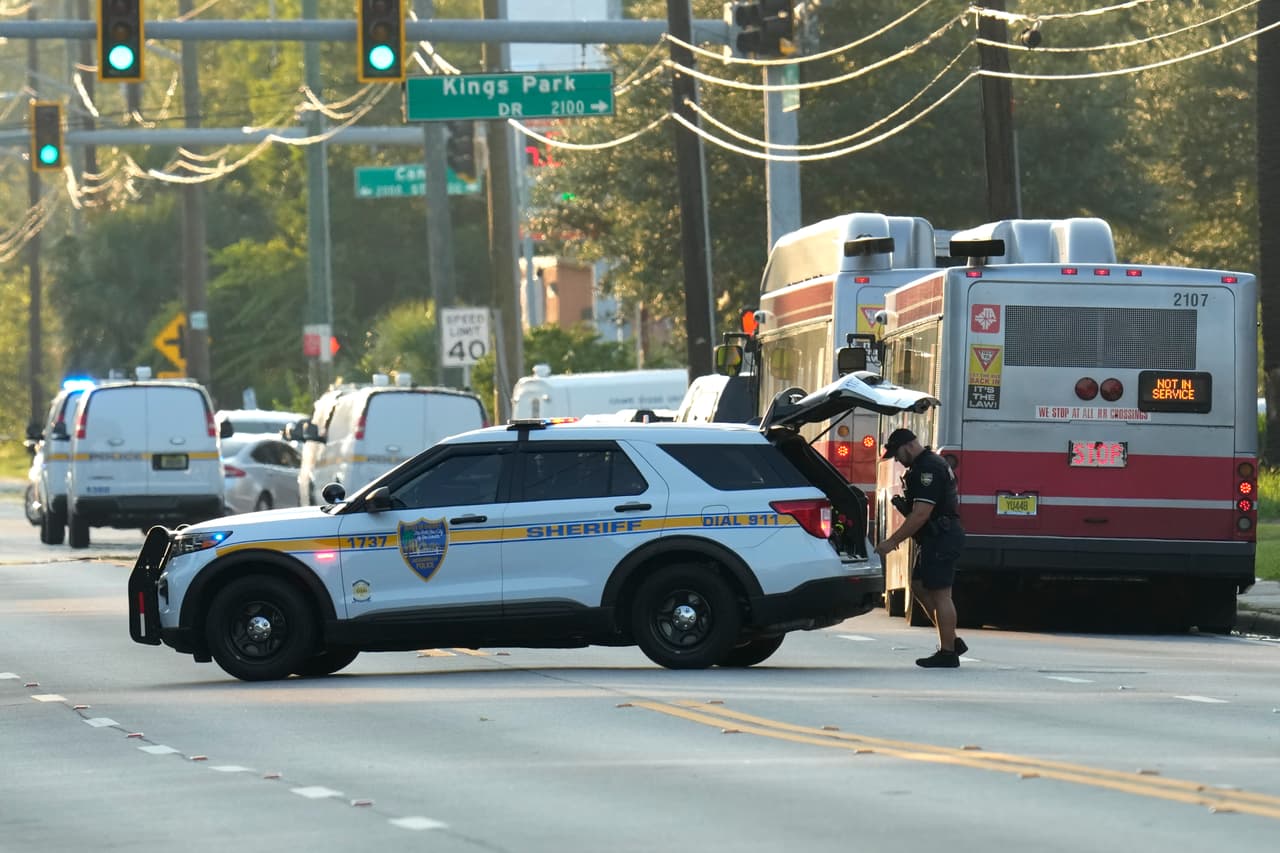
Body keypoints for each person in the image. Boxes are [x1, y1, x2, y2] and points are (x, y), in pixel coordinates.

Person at [874, 428, 968, 668]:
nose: (897, 460)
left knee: (941, 593)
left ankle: (948, 653)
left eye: (897, 454)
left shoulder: (928, 469)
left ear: (907, 447)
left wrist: (891, 542)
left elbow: (921, 515)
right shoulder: (925, 465)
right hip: (935, 537)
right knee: (919, 585)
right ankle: (952, 640)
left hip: (942, 536)